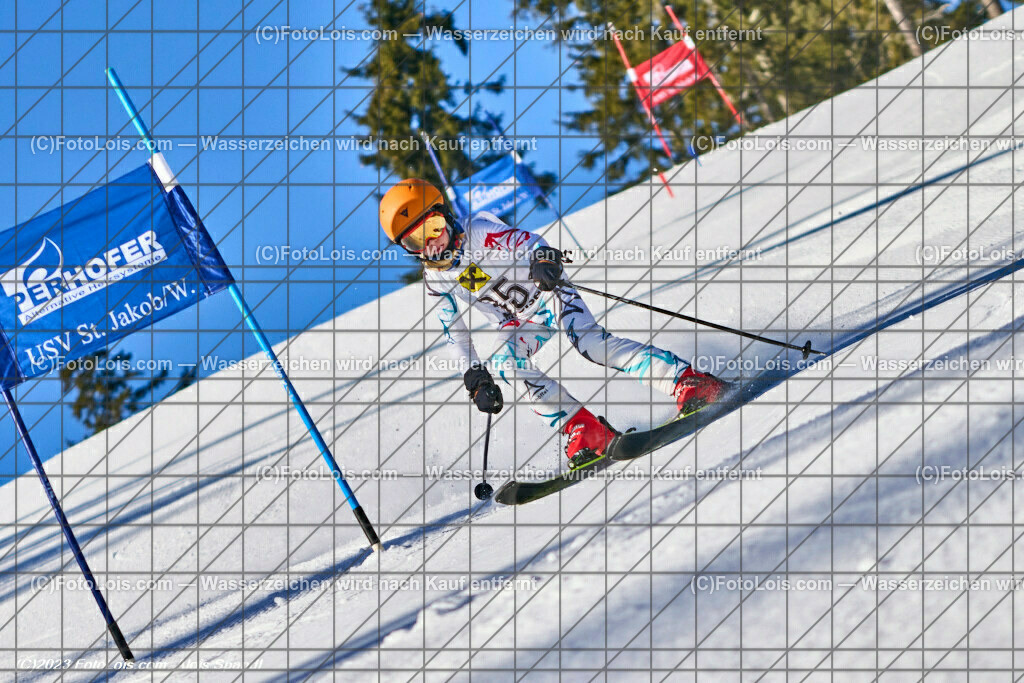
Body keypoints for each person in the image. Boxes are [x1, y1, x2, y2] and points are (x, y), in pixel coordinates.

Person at [379, 179, 726, 469]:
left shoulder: (478, 231)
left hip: (547, 292)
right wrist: (474, 376)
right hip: (521, 323)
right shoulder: (436, 280)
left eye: (434, 227)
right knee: (504, 363)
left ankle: (689, 381)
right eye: (416, 240)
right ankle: (586, 430)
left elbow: (529, 241)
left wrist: (543, 260)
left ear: (447, 216)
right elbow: (453, 331)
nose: (432, 242)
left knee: (591, 344)